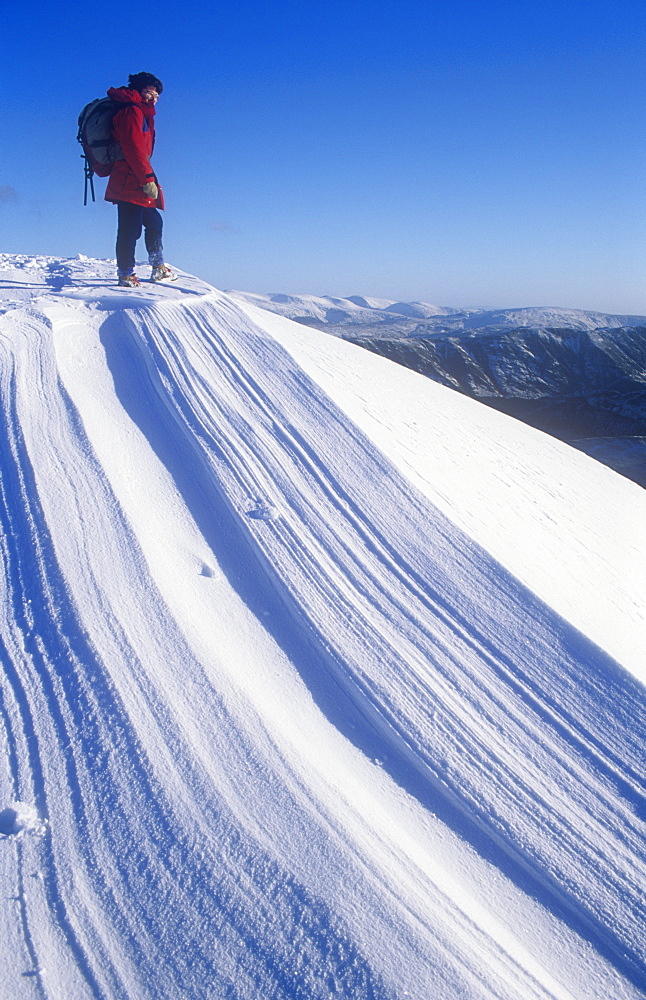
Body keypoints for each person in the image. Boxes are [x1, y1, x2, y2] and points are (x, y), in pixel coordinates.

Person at [104, 72, 176, 287]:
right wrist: (146, 178)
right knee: (130, 228)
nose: (153, 98)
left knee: (154, 221)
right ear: (137, 90)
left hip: (136, 174)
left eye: (156, 95)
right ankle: (126, 274)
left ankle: (158, 267)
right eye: (149, 92)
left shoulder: (142, 114)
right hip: (129, 177)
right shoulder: (131, 111)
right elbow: (133, 147)